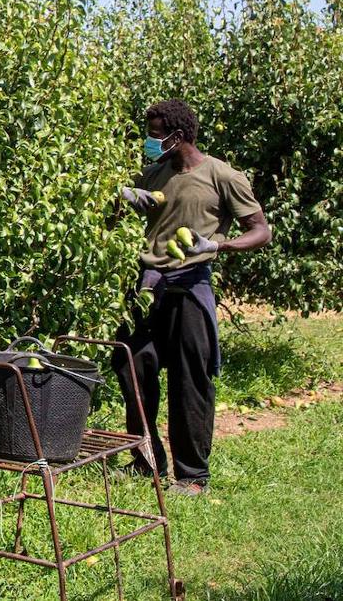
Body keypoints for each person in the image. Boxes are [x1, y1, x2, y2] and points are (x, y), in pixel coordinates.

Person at [117, 99, 272, 496]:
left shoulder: (222, 175)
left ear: (178, 136)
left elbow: (260, 230)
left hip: (190, 284)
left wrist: (219, 246)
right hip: (146, 287)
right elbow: (120, 210)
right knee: (132, 369)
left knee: (190, 381)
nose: (150, 141)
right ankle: (145, 461)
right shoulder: (154, 173)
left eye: (155, 134)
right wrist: (125, 199)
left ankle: (191, 476)